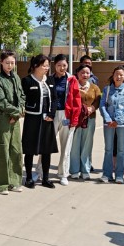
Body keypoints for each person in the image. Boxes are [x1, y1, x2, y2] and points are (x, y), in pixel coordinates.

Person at [0, 50, 25, 195]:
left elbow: (22, 96)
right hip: (4, 118)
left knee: (16, 150)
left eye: (12, 63)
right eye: (7, 63)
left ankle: (14, 182)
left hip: (15, 119)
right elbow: (0, 101)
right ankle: (0, 184)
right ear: (1, 63)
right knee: (2, 150)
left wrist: (19, 111)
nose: (10, 65)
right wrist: (15, 112)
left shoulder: (16, 77)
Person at [22, 54, 59, 189]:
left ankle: (46, 178)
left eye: (48, 65)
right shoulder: (27, 81)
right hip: (32, 118)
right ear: (35, 66)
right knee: (30, 149)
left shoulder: (50, 80)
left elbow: (54, 99)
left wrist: (51, 113)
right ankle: (29, 178)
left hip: (47, 119)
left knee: (46, 149)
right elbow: (22, 99)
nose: (47, 68)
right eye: (44, 65)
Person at [99, 66, 124, 184]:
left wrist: (118, 120)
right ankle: (107, 174)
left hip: (123, 124)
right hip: (108, 123)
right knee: (108, 149)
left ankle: (119, 175)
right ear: (113, 75)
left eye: (121, 75)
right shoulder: (107, 89)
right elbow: (102, 105)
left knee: (121, 150)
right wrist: (108, 119)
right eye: (116, 74)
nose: (118, 77)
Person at [69, 64, 102, 180]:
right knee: (74, 144)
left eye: (87, 73)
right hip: (76, 119)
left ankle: (85, 169)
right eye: (82, 72)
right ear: (77, 73)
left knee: (87, 144)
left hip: (90, 118)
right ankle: (74, 170)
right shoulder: (72, 85)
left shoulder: (94, 87)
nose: (85, 75)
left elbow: (98, 100)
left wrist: (92, 108)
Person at [50, 54, 76, 186]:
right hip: (52, 115)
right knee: (47, 144)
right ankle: (41, 171)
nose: (62, 68)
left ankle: (63, 174)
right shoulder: (49, 79)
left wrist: (74, 119)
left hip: (67, 115)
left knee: (66, 146)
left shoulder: (72, 79)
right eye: (59, 65)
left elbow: (76, 100)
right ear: (54, 66)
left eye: (64, 65)